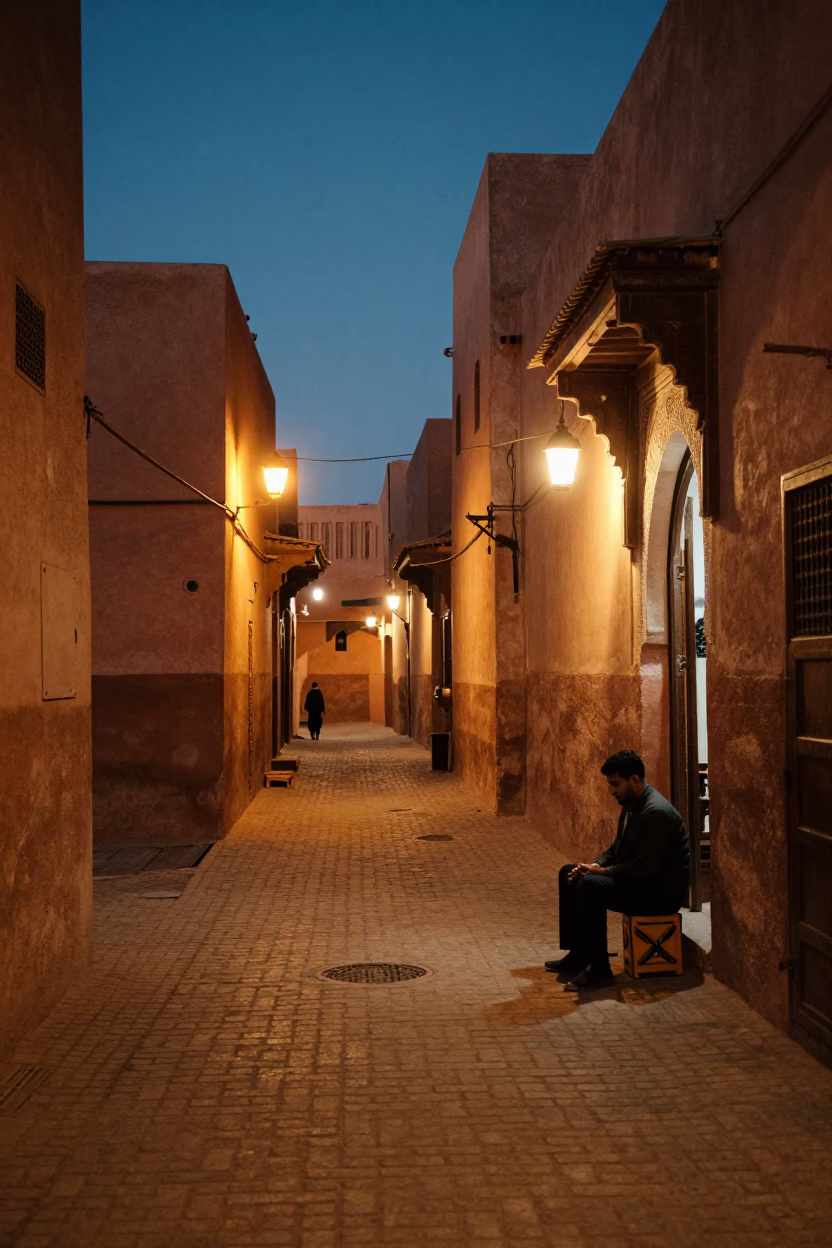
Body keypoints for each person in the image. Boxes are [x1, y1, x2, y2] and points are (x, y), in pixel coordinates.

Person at [548, 749, 691, 991]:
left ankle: (599, 969)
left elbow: (645, 869)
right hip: (641, 882)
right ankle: (579, 955)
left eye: (615, 784)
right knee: (568, 873)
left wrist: (602, 873)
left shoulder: (655, 812)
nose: (611, 790)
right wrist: (595, 865)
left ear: (634, 779)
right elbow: (616, 849)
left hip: (660, 893)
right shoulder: (632, 804)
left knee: (591, 886)